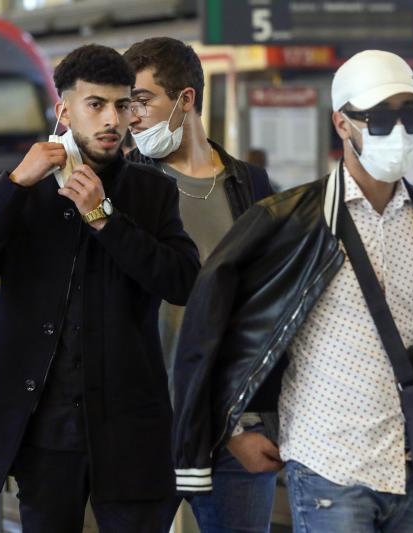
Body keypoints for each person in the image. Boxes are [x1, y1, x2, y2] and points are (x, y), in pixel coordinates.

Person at [171, 50, 413, 533]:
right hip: (328, 468)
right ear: (342, 123)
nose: (397, 132)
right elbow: (229, 336)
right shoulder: (292, 222)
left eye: (411, 116)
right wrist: (234, 432)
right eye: (379, 118)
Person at [0, 44, 199, 533]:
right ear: (64, 110)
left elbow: (182, 281)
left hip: (128, 427)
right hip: (44, 428)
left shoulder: (151, 192)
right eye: (95, 104)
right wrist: (14, 184)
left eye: (123, 106)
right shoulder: (25, 190)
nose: (112, 120)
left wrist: (105, 219)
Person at [122, 37, 277, 533]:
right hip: (144, 426)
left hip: (232, 430)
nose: (132, 117)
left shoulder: (250, 186)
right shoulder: (123, 186)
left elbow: (267, 311)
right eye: (128, 105)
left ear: (186, 100)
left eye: (143, 101)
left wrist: (253, 422)